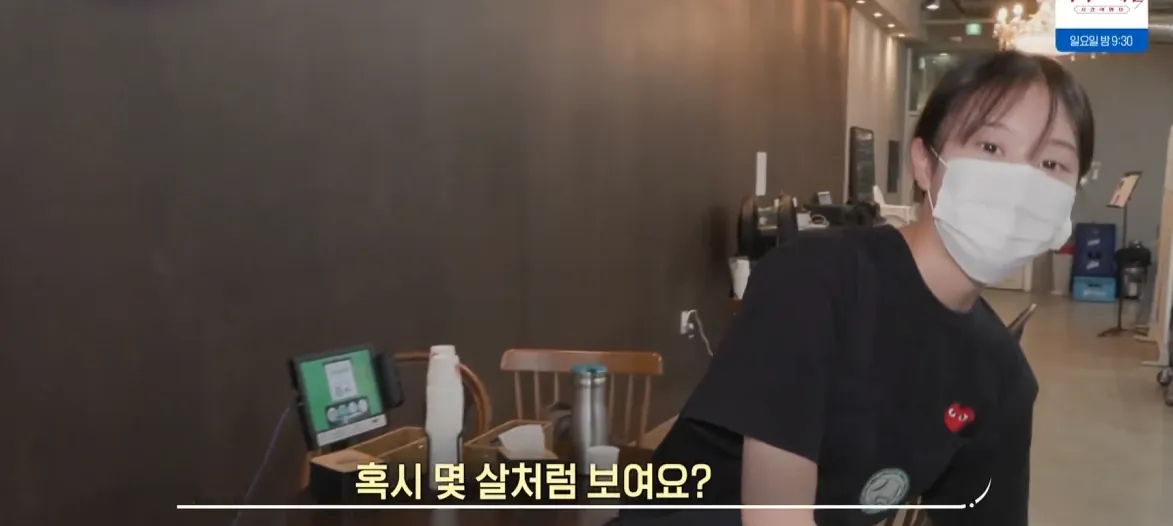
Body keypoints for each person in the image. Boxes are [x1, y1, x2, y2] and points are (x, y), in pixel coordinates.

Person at [611, 50, 1094, 526]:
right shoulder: (816, 278)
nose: (1021, 184)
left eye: (1052, 164)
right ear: (925, 164)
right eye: (991, 148)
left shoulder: (1002, 374)